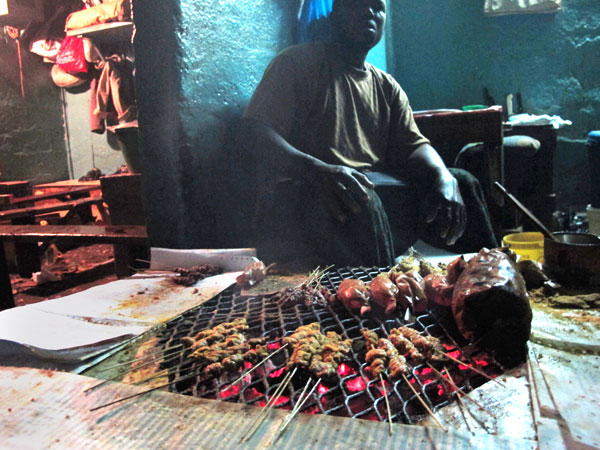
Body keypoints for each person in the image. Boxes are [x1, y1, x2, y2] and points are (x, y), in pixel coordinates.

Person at [239, 0, 497, 266]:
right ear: (334, 13)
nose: (369, 12)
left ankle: (490, 287)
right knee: (358, 194)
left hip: (366, 198)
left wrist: (444, 176)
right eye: (356, 4)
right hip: (308, 198)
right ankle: (380, 296)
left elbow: (413, 145)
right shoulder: (297, 63)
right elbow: (253, 132)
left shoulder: (386, 86)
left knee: (462, 183)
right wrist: (316, 170)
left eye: (377, 7)